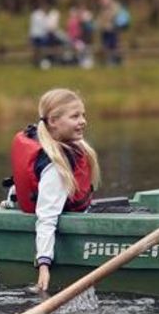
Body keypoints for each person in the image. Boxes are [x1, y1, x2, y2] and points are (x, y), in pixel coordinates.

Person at [8, 88, 102, 291]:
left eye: (83, 115)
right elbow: (47, 218)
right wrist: (43, 264)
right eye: (75, 116)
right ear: (53, 121)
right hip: (49, 232)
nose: (83, 121)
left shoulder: (63, 147)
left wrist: (11, 200)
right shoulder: (55, 166)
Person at [97, 0, 123, 66]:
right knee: (106, 46)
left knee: (114, 46)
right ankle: (109, 61)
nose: (103, 2)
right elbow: (100, 19)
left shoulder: (115, 7)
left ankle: (116, 61)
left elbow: (116, 16)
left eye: (104, 0)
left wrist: (110, 23)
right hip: (105, 31)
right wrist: (100, 25)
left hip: (113, 30)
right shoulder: (103, 9)